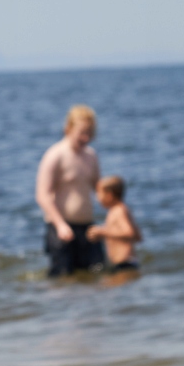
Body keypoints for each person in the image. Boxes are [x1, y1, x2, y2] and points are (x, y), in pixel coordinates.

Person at [35, 104, 103, 275]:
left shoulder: (91, 155)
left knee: (98, 274)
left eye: (90, 132)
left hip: (88, 227)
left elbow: (99, 189)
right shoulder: (55, 155)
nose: (86, 138)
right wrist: (60, 225)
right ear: (68, 129)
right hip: (61, 228)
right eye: (82, 132)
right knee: (63, 278)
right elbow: (42, 195)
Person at [87, 173, 141, 271]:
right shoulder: (123, 209)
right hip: (128, 262)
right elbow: (138, 237)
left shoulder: (118, 211)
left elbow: (130, 233)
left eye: (98, 193)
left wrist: (103, 232)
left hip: (124, 264)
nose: (96, 198)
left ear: (109, 195)